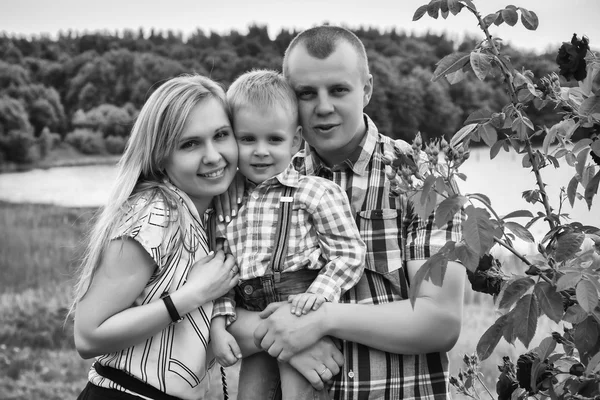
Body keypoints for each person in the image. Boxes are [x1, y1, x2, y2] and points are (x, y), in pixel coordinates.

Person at [224, 26, 466, 400]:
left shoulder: (423, 179)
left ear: (366, 89)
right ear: (290, 99)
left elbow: (440, 322)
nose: (323, 107)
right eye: (306, 93)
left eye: (338, 90)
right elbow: (220, 312)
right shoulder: (262, 183)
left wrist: (321, 320)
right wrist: (286, 339)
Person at [71, 74, 241, 400]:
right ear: (162, 156)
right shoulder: (154, 213)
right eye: (190, 144)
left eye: (221, 135)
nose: (213, 155)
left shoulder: (207, 215)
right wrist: (194, 294)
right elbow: (88, 336)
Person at [210, 69, 366, 400]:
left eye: (274, 139)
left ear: (295, 141)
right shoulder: (227, 201)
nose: (261, 151)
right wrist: (220, 323)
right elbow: (222, 271)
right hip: (251, 313)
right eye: (247, 139)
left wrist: (320, 294)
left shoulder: (316, 193)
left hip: (300, 310)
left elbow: (349, 253)